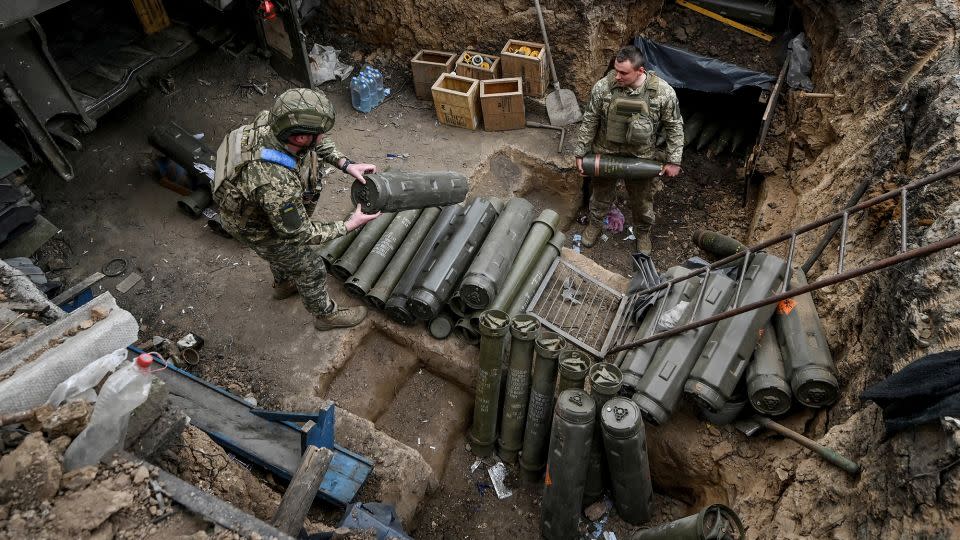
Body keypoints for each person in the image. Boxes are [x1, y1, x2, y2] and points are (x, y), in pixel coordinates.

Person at [212, 88, 381, 330]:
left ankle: (283, 284)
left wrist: (345, 164)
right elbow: (300, 233)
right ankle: (326, 316)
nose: (323, 137)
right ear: (300, 138)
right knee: (310, 267)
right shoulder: (275, 182)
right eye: (319, 134)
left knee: (287, 254)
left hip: (262, 209)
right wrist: (348, 224)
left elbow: (317, 144)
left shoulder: (274, 124)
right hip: (255, 228)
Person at [573, 45, 684, 254]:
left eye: (623, 72)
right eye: (616, 70)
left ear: (640, 71)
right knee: (600, 194)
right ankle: (595, 224)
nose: (617, 76)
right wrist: (581, 153)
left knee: (642, 200)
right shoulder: (603, 88)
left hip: (642, 156)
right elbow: (590, 120)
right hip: (606, 152)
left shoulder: (662, 92)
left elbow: (675, 126)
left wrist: (674, 160)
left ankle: (642, 233)